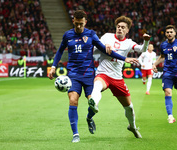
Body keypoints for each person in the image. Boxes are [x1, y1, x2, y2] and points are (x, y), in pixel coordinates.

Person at [48, 10, 138, 143]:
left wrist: (124, 59)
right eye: (77, 24)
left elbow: (105, 50)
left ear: (85, 22)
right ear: (73, 21)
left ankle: (89, 118)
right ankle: (75, 134)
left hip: (89, 74)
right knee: (73, 100)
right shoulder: (68, 35)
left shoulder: (91, 34)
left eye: (81, 24)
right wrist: (54, 66)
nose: (79, 27)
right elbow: (60, 50)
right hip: (73, 74)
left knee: (93, 105)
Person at [88, 15, 151, 138]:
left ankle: (132, 127)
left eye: (123, 27)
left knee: (129, 108)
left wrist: (146, 40)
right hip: (103, 73)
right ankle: (94, 103)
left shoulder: (128, 43)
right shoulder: (107, 37)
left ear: (127, 30)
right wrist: (100, 48)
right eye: (118, 26)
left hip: (117, 78)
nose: (120, 29)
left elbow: (142, 49)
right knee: (97, 84)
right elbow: (95, 48)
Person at [152, 25, 177, 124]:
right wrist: (154, 64)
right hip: (167, 73)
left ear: (175, 33)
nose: (169, 34)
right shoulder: (163, 45)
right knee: (167, 92)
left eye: (171, 32)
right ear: (165, 34)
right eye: (167, 32)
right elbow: (162, 56)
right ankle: (170, 116)